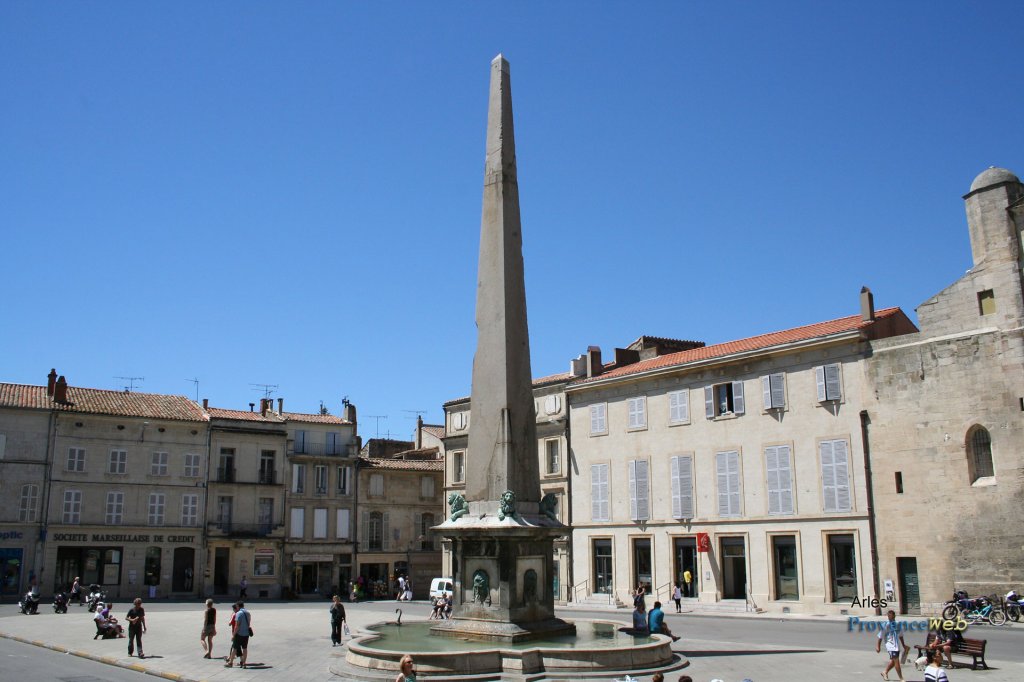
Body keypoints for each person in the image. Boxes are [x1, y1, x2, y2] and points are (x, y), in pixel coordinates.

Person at [875, 609, 909, 682]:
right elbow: (880, 636)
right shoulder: (885, 625)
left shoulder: (898, 624)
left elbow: (900, 636)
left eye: (891, 616)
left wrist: (903, 645)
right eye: (889, 616)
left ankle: (885, 672)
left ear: (894, 616)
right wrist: (878, 646)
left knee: (893, 662)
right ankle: (901, 678)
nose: (890, 618)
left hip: (897, 646)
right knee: (896, 661)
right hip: (890, 646)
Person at [225, 601, 251, 669]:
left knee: (235, 648)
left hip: (239, 634)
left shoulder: (239, 613)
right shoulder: (248, 613)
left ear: (238, 606)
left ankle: (230, 662)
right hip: (246, 634)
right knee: (245, 648)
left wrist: (233, 635)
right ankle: (244, 663)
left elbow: (237, 625)